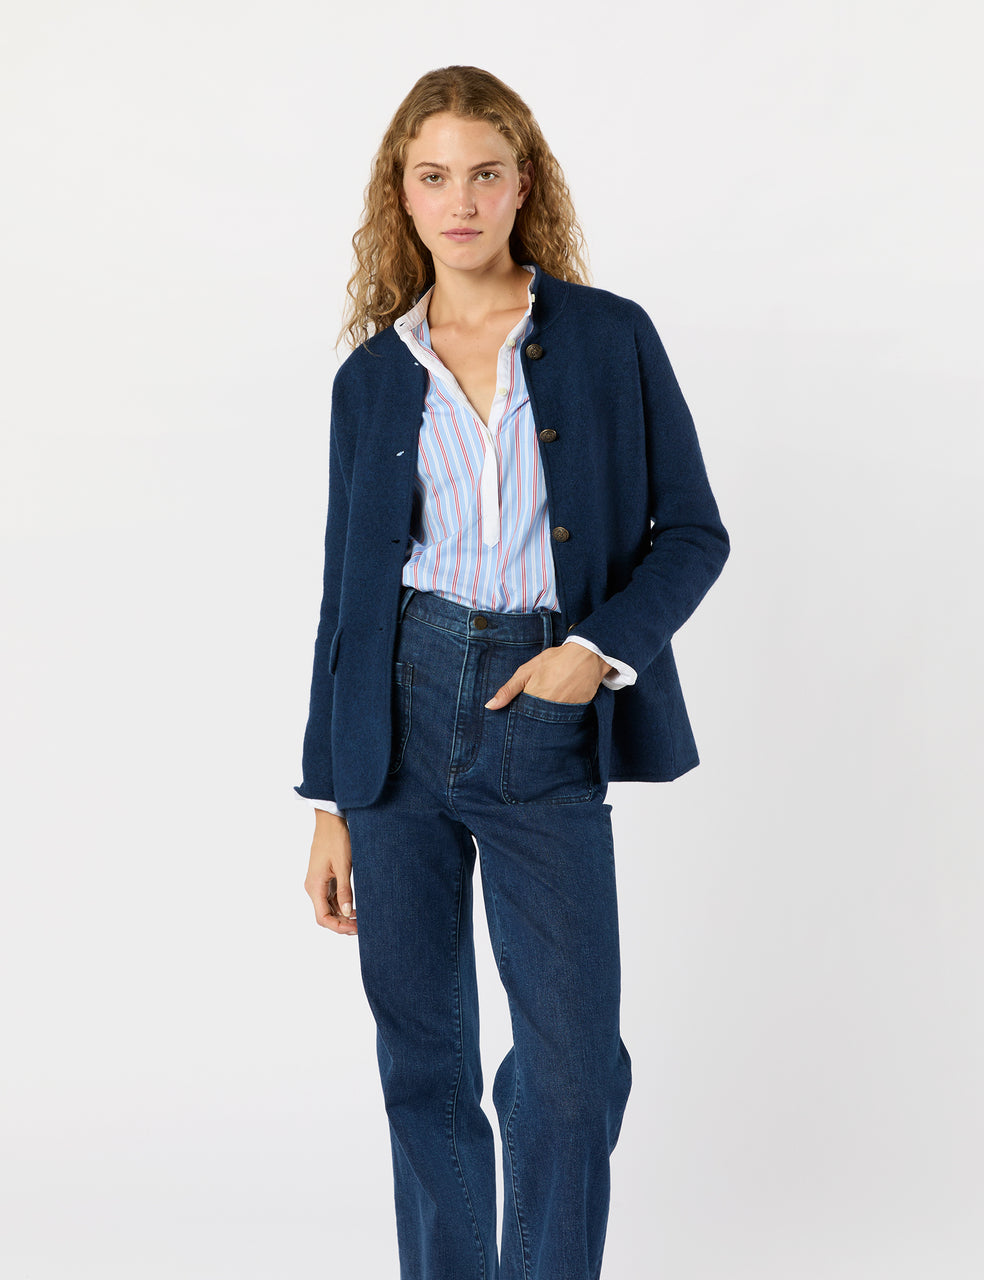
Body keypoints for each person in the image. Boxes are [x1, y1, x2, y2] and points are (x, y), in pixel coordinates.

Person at [294, 65, 729, 1280]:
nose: (461, 201)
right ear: (401, 194)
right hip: (394, 715)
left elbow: (693, 533)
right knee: (422, 1059)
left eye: (484, 174)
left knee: (574, 1069)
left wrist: (592, 653)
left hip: (540, 703)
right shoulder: (370, 376)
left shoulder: (607, 336)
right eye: (433, 177)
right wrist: (329, 797)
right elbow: (343, 599)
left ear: (522, 184)